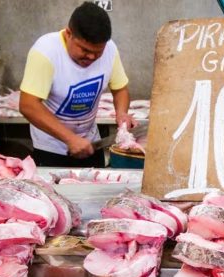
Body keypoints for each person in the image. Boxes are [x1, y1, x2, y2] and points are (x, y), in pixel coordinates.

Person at [19, 2, 136, 167]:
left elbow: (120, 89)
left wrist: (122, 113)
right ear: (68, 34)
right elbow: (28, 105)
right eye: (84, 50)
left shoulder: (110, 49)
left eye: (97, 52)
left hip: (91, 142)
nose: (91, 57)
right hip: (52, 147)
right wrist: (70, 138)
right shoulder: (46, 51)